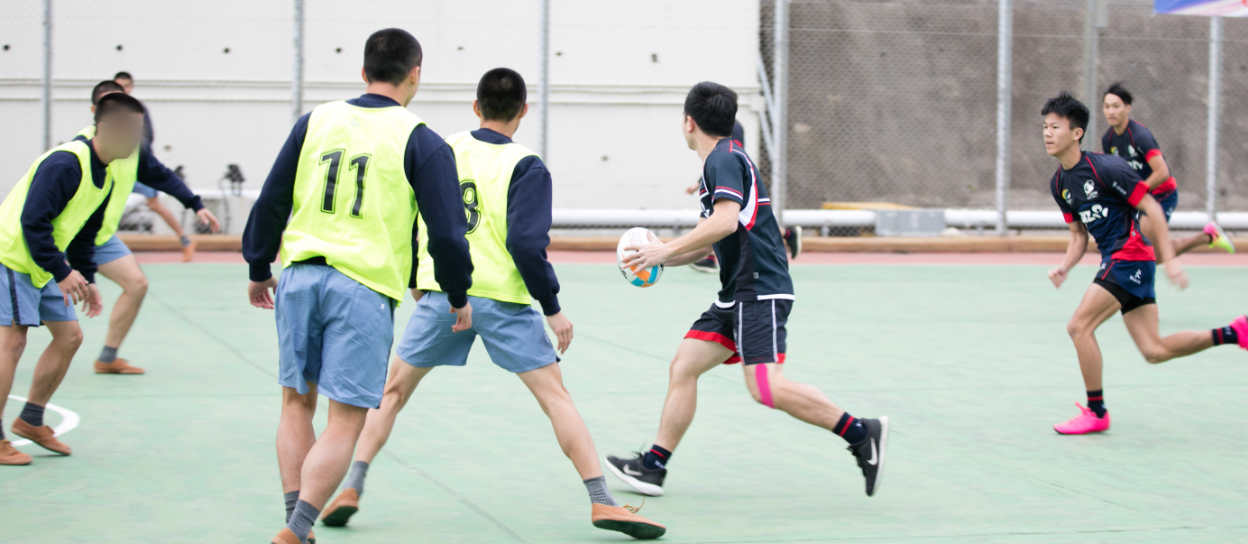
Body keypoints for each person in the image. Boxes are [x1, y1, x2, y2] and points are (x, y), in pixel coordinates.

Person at [317, 68, 666, 540]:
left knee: (392, 394)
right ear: (524, 110)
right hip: (503, 300)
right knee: (555, 398)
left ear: (476, 106)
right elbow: (526, 244)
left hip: (445, 295)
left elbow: (417, 214)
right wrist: (552, 307)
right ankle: (602, 502)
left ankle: (352, 486)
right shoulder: (528, 165)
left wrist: (419, 275)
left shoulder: (444, 148)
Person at [241, 29, 474, 544]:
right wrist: (456, 295)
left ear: (363, 71)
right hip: (362, 287)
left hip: (300, 275)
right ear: (415, 74)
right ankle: (296, 529)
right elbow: (447, 233)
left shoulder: (316, 120)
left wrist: (259, 265)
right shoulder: (421, 139)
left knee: (294, 404)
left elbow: (272, 197)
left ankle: (294, 526)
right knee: (344, 420)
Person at [607, 82, 889, 498]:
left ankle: (862, 433)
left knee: (765, 387)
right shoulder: (726, 159)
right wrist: (660, 257)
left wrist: (662, 248)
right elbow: (710, 240)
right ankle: (653, 467)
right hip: (736, 292)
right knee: (684, 365)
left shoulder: (722, 160)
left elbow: (722, 222)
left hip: (759, 290)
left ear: (689, 122)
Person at [1042, 91, 1248, 435]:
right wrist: (1066, 266)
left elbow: (1153, 208)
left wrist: (1172, 259)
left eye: (1054, 127)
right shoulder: (1060, 184)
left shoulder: (1107, 168)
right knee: (1154, 350)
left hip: (1129, 256)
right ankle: (1234, 332)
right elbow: (1078, 236)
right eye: (1044, 126)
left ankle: (1096, 411)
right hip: (1126, 261)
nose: (1046, 133)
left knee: (1078, 327)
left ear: (1076, 133)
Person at [0, 93, 148, 466]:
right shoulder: (67, 162)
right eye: (129, 130)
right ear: (104, 127)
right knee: (12, 343)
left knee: (70, 336)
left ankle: (31, 419)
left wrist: (88, 278)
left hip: (42, 262)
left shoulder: (106, 174)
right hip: (13, 256)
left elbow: (86, 233)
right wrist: (63, 272)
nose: (135, 140)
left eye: (139, 132)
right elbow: (31, 222)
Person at [73, 81, 221, 376]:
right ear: (95, 112)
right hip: (65, 238)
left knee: (137, 284)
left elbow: (161, 175)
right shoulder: (79, 151)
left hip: (99, 237)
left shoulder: (133, 147)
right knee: (50, 324)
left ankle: (108, 357)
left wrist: (195, 203)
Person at [1101, 82, 1233, 257]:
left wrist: (1136, 193)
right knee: (1155, 255)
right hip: (1141, 197)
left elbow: (1162, 172)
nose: (1111, 111)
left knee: (1143, 253)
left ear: (1128, 108)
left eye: (1116, 106)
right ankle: (1209, 236)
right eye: (1107, 106)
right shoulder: (1108, 140)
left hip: (1162, 194)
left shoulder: (1140, 136)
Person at [684, 121, 802, 273]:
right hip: (724, 177)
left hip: (730, 179)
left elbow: (728, 157)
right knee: (731, 219)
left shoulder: (732, 130)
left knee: (727, 220)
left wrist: (665, 252)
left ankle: (711, 258)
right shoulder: (715, 135)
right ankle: (788, 234)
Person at [113, 71, 199, 261]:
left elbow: (147, 138)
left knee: (155, 205)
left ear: (132, 87)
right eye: (120, 86)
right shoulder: (109, 109)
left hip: (137, 170)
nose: (124, 90)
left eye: (127, 86)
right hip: (116, 169)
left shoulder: (138, 109)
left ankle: (185, 240)